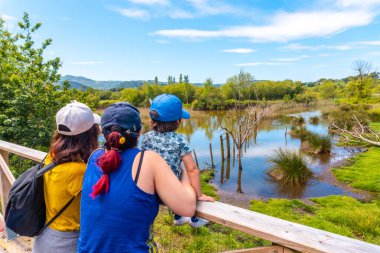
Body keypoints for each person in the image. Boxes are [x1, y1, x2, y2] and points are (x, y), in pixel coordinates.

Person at [78, 102, 196, 253]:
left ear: (103, 133)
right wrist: (183, 173)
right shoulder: (147, 160)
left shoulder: (94, 156)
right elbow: (187, 208)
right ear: (139, 133)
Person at [32, 101, 100, 253]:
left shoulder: (52, 157)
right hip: (66, 243)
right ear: (91, 133)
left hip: (45, 237)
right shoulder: (79, 171)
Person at [141, 94, 214, 228]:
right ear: (178, 121)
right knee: (185, 173)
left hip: (150, 186)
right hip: (171, 189)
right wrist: (199, 194)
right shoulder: (179, 140)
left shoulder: (146, 137)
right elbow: (192, 169)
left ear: (152, 120)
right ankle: (194, 219)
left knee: (176, 167)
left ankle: (179, 217)